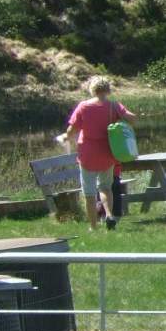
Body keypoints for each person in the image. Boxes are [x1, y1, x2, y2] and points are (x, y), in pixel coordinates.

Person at [64, 75, 134, 231]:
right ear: (108, 90)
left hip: (87, 154)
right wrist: (118, 122)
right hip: (107, 153)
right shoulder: (113, 106)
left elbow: (72, 129)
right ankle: (109, 215)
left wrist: (65, 137)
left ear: (92, 89)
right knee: (105, 188)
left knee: (89, 193)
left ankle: (93, 226)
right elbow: (132, 118)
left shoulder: (83, 106)